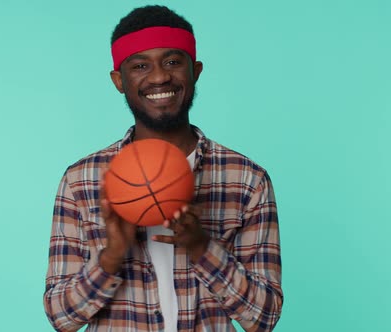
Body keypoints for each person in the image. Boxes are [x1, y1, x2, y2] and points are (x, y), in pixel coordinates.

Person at [44, 5, 283, 332]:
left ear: (195, 70)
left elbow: (264, 317)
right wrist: (111, 256)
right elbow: (61, 318)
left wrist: (202, 247)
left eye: (172, 61)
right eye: (140, 65)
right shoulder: (81, 181)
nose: (159, 76)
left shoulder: (247, 180)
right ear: (118, 80)